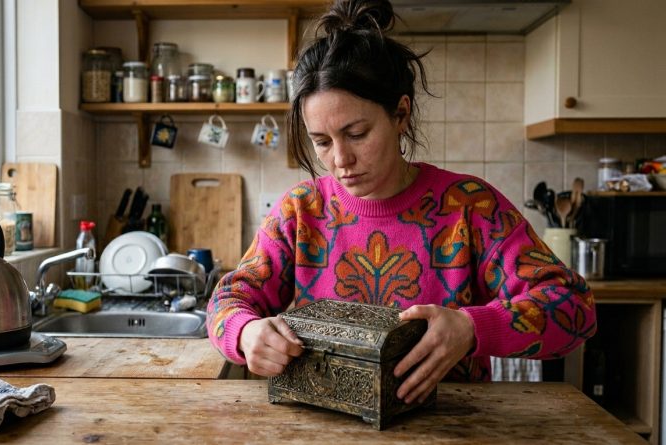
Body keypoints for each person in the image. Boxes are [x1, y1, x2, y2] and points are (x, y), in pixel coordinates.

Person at [206, 0, 596, 405]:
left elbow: (576, 308)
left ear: (401, 114)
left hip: (452, 426)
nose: (340, 160)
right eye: (321, 142)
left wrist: (473, 327)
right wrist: (244, 331)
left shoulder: (470, 207)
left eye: (357, 133)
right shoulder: (300, 211)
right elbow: (227, 299)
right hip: (322, 428)